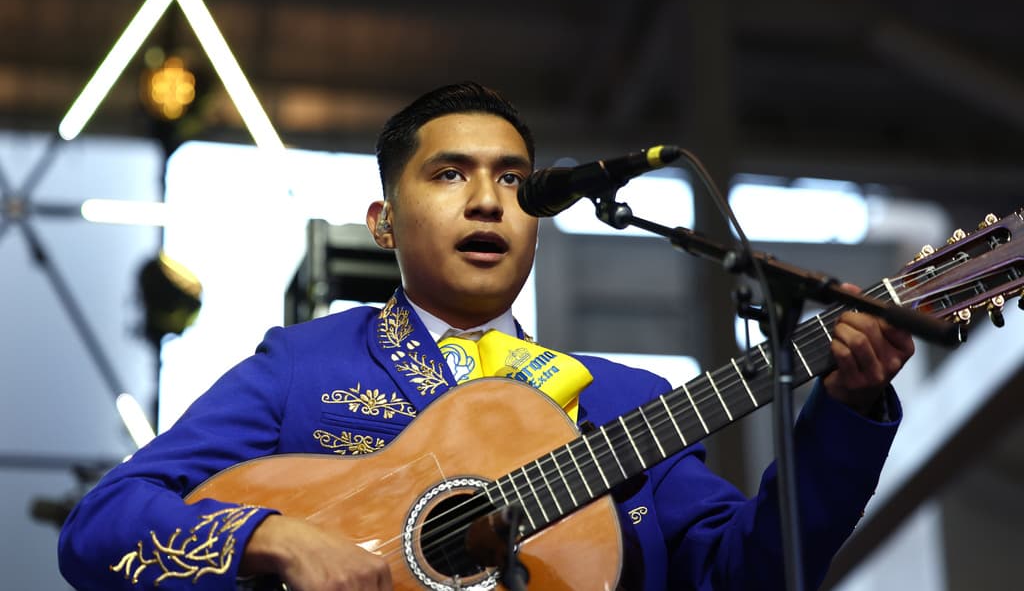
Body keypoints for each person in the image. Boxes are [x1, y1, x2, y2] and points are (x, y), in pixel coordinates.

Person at [58, 82, 915, 591]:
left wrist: (846, 408)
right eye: (449, 174)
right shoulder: (304, 364)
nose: (487, 200)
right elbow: (100, 527)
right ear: (384, 223)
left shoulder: (624, 403)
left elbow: (755, 573)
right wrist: (271, 537)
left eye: (513, 179)